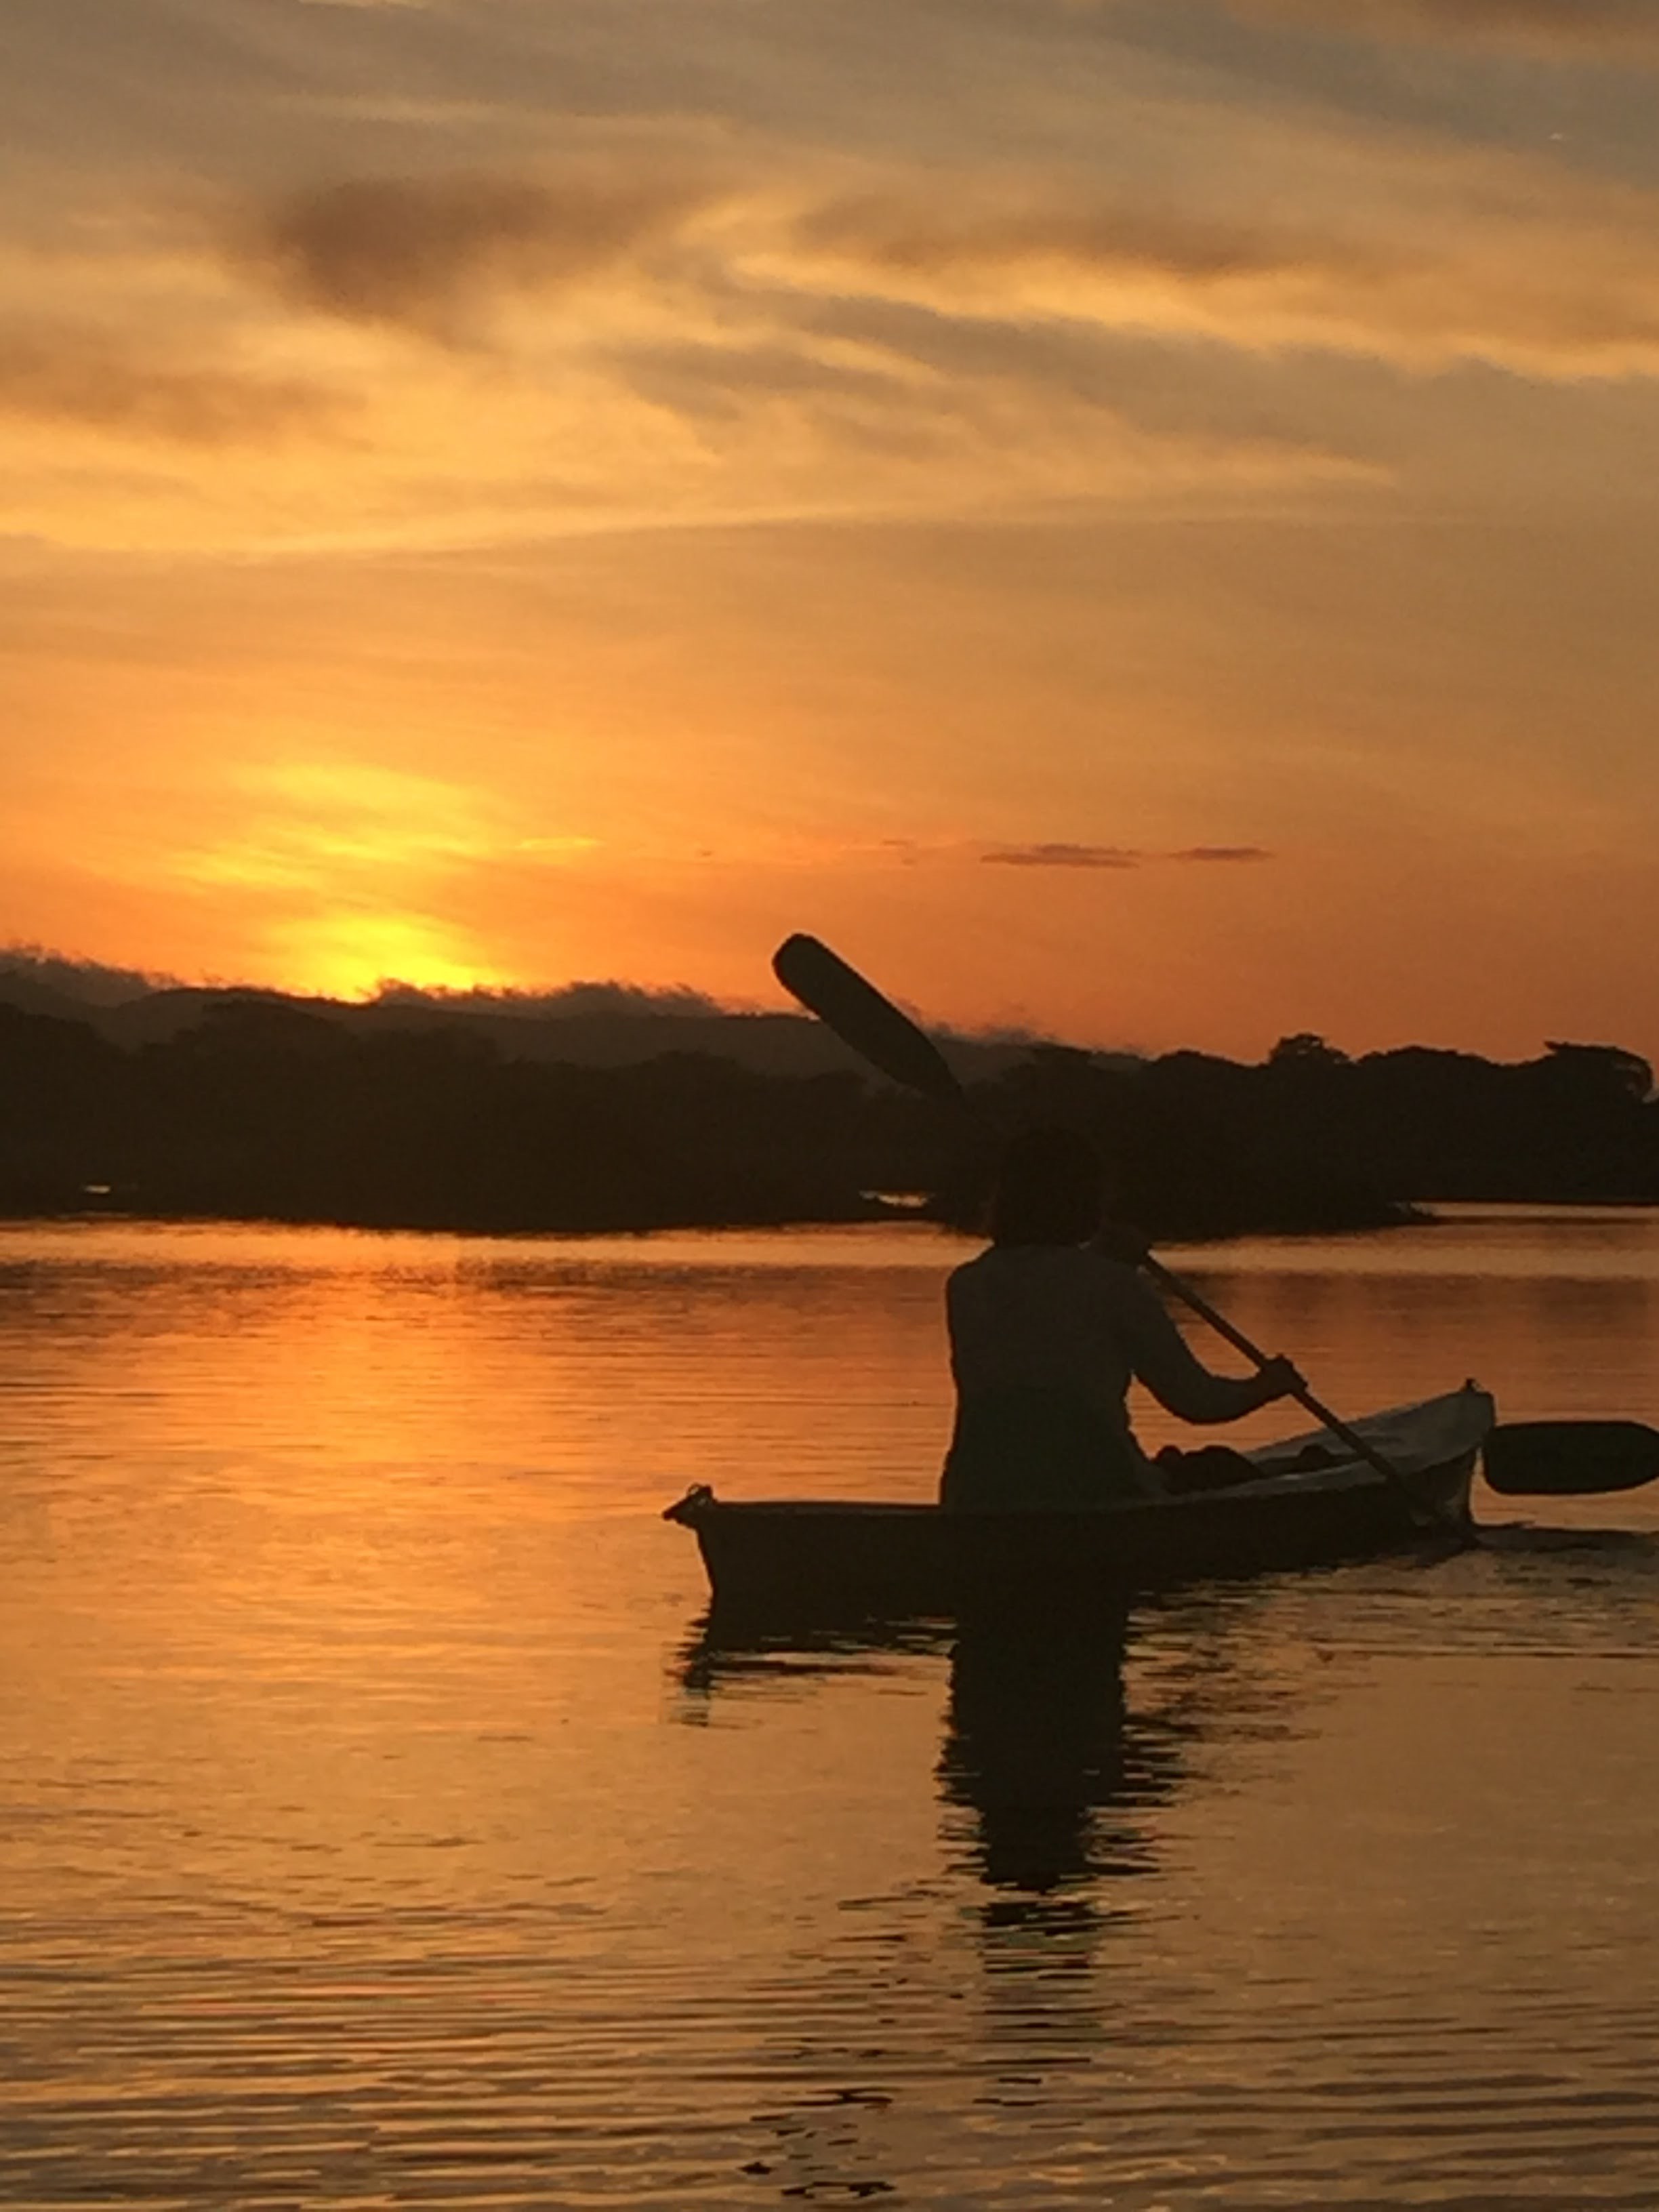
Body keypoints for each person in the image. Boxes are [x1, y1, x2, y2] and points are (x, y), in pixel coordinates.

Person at [941, 1126, 1304, 1511]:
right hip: (1100, 1489)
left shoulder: (966, 1285)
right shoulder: (1113, 1285)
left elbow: (1047, 1295)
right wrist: (1267, 1386)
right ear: (1089, 1200)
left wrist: (1108, 1260)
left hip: (975, 1492)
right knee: (1219, 1467)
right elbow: (1196, 1402)